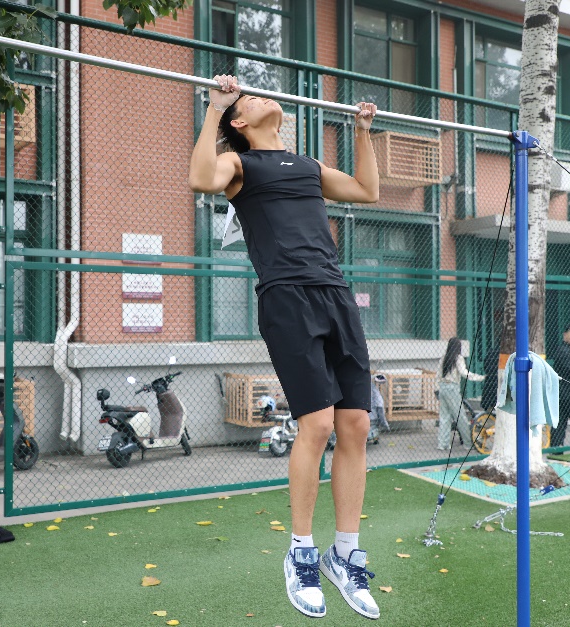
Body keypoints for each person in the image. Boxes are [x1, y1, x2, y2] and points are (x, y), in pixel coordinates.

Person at [188, 75, 380, 620]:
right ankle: (301, 552)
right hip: (287, 298)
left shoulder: (309, 166)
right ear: (241, 123)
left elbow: (366, 191)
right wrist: (215, 107)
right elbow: (200, 178)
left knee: (355, 424)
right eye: (248, 99)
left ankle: (345, 554)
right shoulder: (240, 164)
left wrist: (362, 132)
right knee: (316, 424)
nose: (260, 96)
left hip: (335, 293)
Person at [436, 337, 484, 450]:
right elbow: (463, 372)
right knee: (460, 417)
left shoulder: (444, 357)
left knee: (444, 417)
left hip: (442, 387)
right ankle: (468, 443)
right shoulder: (458, 358)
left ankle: (443, 444)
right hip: (452, 389)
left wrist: (436, 388)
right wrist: (479, 377)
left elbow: (438, 374)